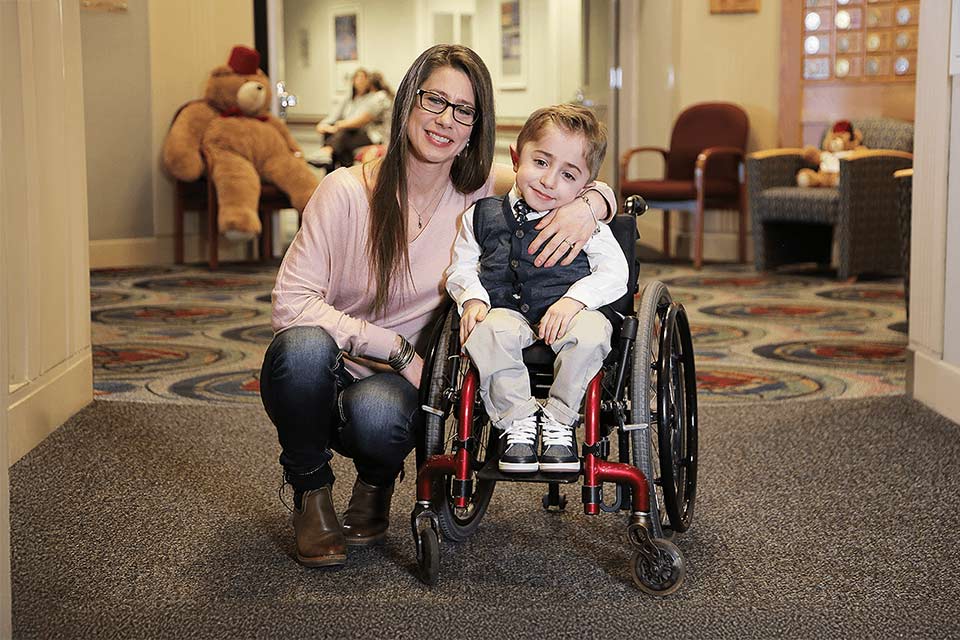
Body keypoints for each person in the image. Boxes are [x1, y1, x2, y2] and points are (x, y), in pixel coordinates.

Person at [259, 45, 618, 568]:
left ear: (476, 127)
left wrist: (593, 203)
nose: (445, 120)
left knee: (379, 413)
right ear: (408, 102)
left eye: (463, 110)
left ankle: (375, 485)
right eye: (434, 101)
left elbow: (559, 170)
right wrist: (396, 349)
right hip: (341, 365)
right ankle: (311, 494)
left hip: (397, 389)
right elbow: (290, 304)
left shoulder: (479, 194)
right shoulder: (343, 192)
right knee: (301, 348)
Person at [446, 105, 628, 473]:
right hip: (505, 310)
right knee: (486, 332)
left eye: (568, 175)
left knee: (593, 335)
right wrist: (473, 299)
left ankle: (559, 420)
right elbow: (462, 264)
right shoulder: (481, 215)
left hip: (568, 314)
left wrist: (575, 300)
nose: (549, 182)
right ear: (516, 158)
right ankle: (517, 420)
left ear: (585, 185)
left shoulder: (583, 220)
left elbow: (615, 272)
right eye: (541, 162)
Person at [314, 68, 393, 170]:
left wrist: (339, 125)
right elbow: (336, 116)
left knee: (344, 134)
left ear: (369, 83)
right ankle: (333, 166)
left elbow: (362, 120)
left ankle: (328, 154)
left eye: (363, 80)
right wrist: (327, 125)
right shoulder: (351, 98)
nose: (360, 83)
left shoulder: (379, 97)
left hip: (376, 136)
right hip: (359, 132)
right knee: (338, 138)